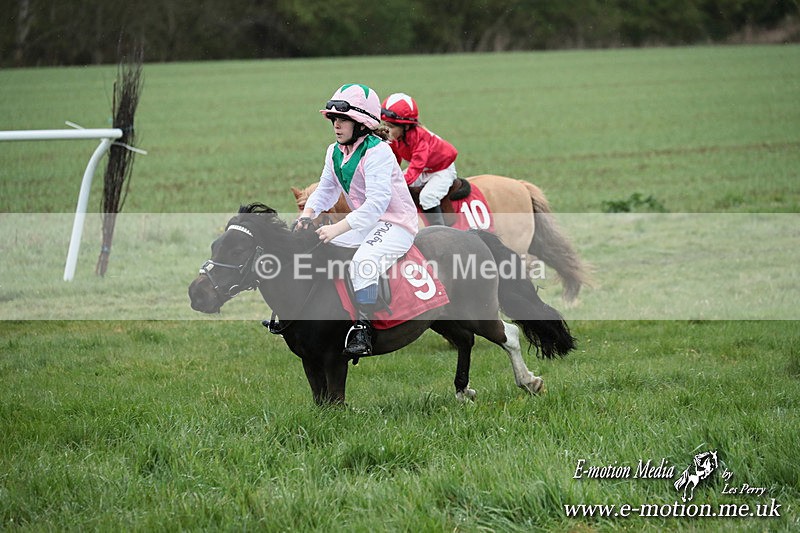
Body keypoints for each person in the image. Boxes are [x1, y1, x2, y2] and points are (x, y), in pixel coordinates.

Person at [297, 84, 419, 358]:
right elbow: (326, 189)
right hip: (367, 222)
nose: (336, 126)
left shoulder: (378, 152)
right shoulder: (334, 151)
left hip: (396, 224)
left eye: (343, 120)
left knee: (364, 261)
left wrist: (337, 228)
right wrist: (307, 216)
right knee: (319, 247)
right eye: (334, 120)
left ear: (362, 124)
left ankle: (363, 328)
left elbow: (376, 205)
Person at [381, 93, 459, 226]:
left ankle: (440, 231)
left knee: (427, 198)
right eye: (385, 125)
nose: (387, 130)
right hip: (424, 169)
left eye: (391, 127)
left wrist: (397, 182)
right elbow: (394, 159)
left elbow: (416, 167)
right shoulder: (397, 137)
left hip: (442, 170)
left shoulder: (421, 139)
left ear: (405, 127)